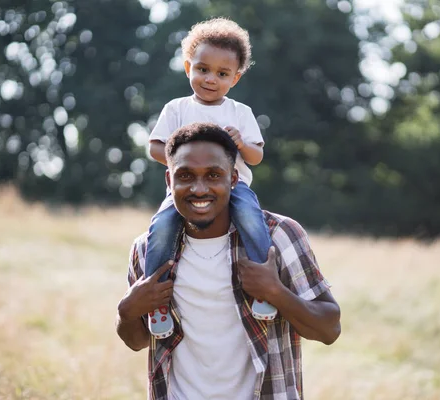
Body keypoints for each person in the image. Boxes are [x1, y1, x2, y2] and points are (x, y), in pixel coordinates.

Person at [116, 122, 341, 400]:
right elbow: (137, 341)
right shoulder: (149, 249)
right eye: (185, 176)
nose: (199, 189)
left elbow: (329, 329)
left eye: (213, 175)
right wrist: (127, 311)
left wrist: (275, 293)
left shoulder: (278, 236)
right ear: (169, 181)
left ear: (233, 179)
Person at [145, 17, 275, 339]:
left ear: (236, 77)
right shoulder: (176, 109)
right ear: (188, 66)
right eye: (202, 69)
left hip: (234, 186)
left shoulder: (239, 113)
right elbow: (154, 147)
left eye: (222, 73)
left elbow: (256, 157)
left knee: (251, 218)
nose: (210, 79)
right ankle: (156, 300)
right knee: (160, 229)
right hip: (184, 189)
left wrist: (242, 143)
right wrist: (183, 163)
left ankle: (264, 287)